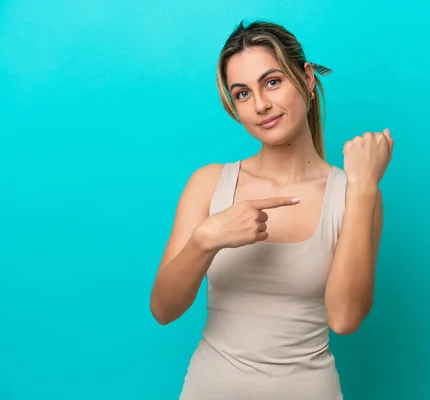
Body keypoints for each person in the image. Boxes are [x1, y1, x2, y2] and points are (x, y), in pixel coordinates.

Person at [149, 20, 393, 400]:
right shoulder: (209, 184)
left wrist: (363, 189)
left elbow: (345, 319)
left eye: (272, 82)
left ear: (307, 79)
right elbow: (163, 310)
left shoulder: (354, 193)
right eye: (242, 94)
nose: (260, 104)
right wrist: (206, 239)